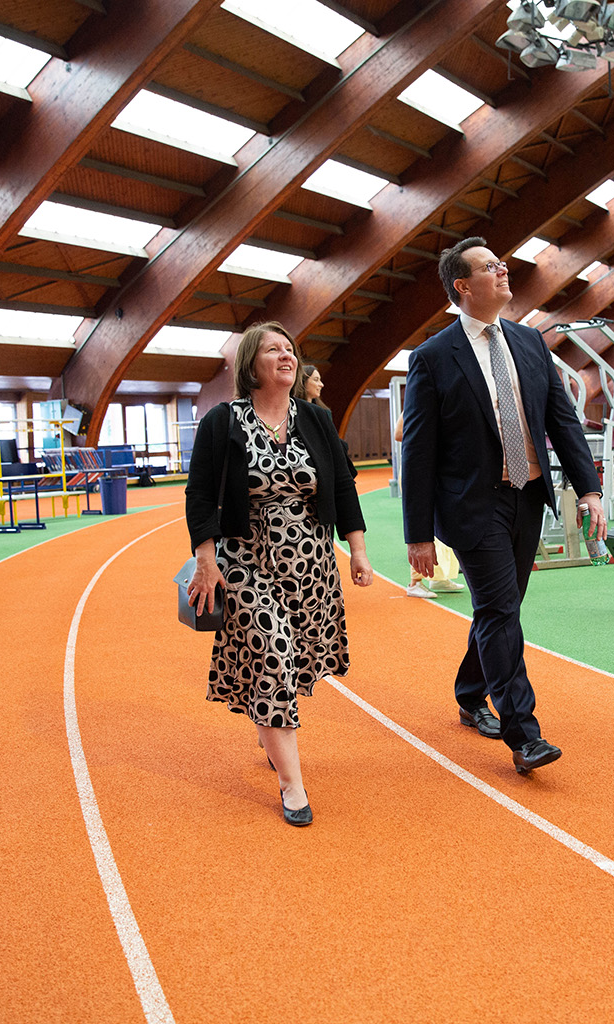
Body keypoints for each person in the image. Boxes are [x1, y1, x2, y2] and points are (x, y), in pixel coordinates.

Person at [401, 237, 606, 774]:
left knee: (502, 607)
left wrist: (589, 490)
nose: (503, 270)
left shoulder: (531, 343)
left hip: (528, 495)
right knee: (498, 609)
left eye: (502, 264)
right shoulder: (431, 358)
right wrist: (417, 534)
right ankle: (523, 734)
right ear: (462, 287)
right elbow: (418, 450)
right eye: (490, 267)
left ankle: (471, 692)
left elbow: (562, 420)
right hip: (473, 505)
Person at [186, 322, 374, 826]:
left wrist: (356, 550)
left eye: (289, 349)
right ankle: (292, 784)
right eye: (273, 350)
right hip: (245, 563)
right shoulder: (223, 422)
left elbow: (343, 487)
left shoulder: (315, 419)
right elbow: (200, 494)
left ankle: (267, 725)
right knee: (271, 653)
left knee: (293, 663)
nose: (286, 356)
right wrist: (205, 559)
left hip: (310, 563)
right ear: (251, 364)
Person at [394, 414, 464, 598]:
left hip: (443, 470)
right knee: (424, 524)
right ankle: (414, 582)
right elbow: (398, 433)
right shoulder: (418, 402)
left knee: (445, 524)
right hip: (421, 470)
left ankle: (439, 577)